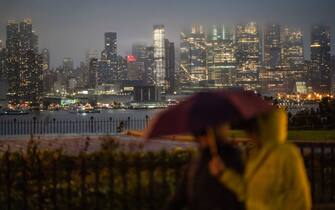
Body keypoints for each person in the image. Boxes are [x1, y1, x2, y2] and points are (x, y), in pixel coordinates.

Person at [209, 109, 311, 210]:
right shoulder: (256, 154)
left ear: (262, 130)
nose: (249, 135)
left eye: (252, 130)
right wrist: (223, 174)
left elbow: (300, 200)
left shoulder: (286, 154)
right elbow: (249, 192)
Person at [164, 124, 245, 210]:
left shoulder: (231, 156)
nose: (200, 139)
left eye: (203, 134)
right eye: (198, 135)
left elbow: (240, 195)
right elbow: (180, 196)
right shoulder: (196, 160)